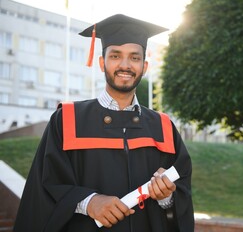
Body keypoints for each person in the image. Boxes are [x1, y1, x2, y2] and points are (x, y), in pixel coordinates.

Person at [13, 14, 194, 232]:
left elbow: (181, 200)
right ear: (102, 62)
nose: (125, 65)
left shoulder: (163, 128)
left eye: (134, 58)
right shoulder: (67, 120)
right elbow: (45, 188)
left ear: (144, 66)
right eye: (116, 56)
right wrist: (88, 202)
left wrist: (167, 198)